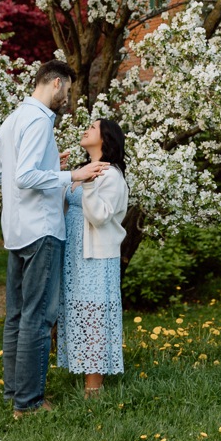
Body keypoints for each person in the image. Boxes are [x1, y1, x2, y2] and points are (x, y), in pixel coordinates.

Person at [0, 60, 108, 418]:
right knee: (38, 318)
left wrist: (50, 166)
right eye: (67, 91)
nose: (66, 99)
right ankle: (29, 403)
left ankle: (14, 394)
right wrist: (74, 173)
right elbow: (23, 176)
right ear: (55, 84)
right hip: (41, 229)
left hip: (16, 231)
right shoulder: (39, 119)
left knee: (17, 316)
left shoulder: (12, 120)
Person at [57, 117, 129, 397]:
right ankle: (82, 371)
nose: (86, 130)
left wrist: (86, 183)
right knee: (78, 313)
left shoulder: (111, 175)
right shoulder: (84, 170)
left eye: (93, 127)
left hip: (96, 257)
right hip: (74, 252)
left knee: (94, 315)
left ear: (105, 138)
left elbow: (99, 216)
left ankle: (94, 387)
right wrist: (62, 175)